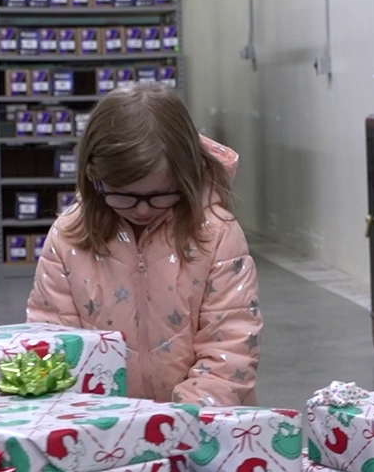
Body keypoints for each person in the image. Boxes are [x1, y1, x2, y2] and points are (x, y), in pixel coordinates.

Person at [26, 84, 261, 406]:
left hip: (203, 428)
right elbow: (52, 342)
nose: (141, 209)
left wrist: (179, 421)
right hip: (102, 429)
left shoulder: (216, 235)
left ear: (186, 175)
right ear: (94, 178)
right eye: (123, 194)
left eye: (159, 194)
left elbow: (231, 347)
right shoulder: (69, 237)